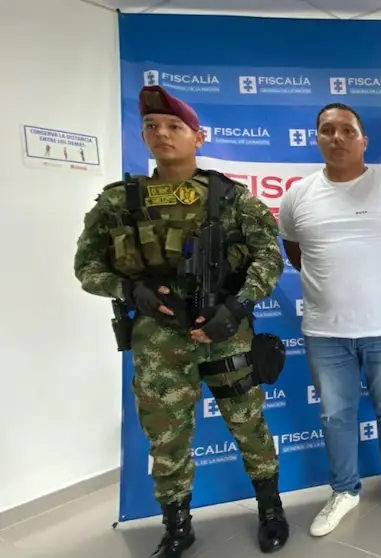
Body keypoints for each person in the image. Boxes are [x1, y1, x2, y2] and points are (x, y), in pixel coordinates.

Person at [73, 85, 290, 557]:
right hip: (158, 342)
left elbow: (269, 258)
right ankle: (177, 528)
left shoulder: (232, 198)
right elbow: (86, 268)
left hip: (226, 333)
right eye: (152, 126)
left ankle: (271, 510)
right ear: (143, 136)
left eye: (175, 126)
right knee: (166, 439)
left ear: (198, 137)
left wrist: (237, 307)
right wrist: (130, 290)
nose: (162, 133)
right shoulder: (118, 202)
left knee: (248, 424)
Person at [279, 103, 381, 537]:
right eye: (327, 130)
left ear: (364, 140)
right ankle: (344, 490)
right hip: (326, 332)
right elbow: (296, 253)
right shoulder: (297, 196)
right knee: (335, 415)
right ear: (317, 139)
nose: (337, 138)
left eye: (348, 130)